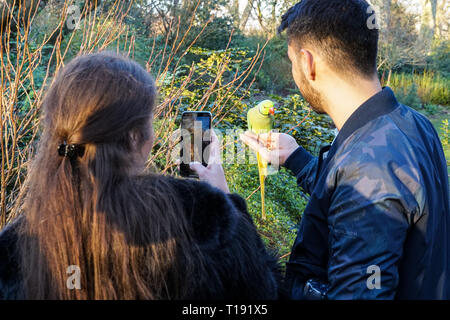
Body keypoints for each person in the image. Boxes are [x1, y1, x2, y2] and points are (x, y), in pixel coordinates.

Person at [0, 52, 280, 299]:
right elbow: (266, 290)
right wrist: (227, 199)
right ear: (136, 138)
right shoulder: (208, 219)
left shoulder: (12, 251)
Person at [241, 0, 449, 299]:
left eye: (291, 61)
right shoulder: (410, 123)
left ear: (307, 62)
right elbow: (358, 191)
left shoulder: (369, 164)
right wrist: (297, 159)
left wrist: (231, 216)